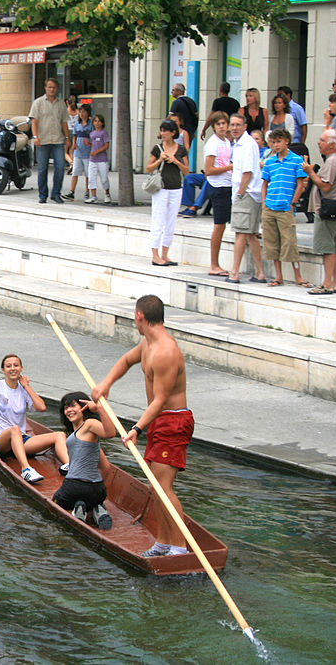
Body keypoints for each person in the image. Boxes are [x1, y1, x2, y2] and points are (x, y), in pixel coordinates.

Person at [92, 295, 192, 557]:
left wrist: (136, 429)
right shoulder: (148, 343)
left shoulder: (165, 352)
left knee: (163, 486)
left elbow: (160, 400)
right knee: (154, 486)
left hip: (172, 421)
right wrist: (105, 384)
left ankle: (179, 547)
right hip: (158, 420)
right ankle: (163, 541)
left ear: (139, 316)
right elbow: (126, 361)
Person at [0, 340, 68, 484]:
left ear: (21, 368)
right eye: (8, 366)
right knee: (14, 430)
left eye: (16, 365)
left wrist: (27, 386)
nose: (13, 368)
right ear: (3, 370)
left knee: (59, 435)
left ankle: (69, 466)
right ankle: (26, 470)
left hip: (20, 440)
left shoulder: (23, 390)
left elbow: (41, 407)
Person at [51, 392, 117, 528]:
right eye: (66, 408)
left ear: (84, 407)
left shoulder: (89, 424)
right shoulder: (90, 438)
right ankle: (96, 506)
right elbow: (106, 468)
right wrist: (96, 487)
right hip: (98, 490)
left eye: (73, 406)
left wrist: (99, 408)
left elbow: (110, 433)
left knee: (55, 503)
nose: (69, 410)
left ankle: (79, 509)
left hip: (74, 486)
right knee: (89, 498)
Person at [260, 129, 312, 288]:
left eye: (279, 141)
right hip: (270, 205)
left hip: (286, 208)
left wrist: (292, 203)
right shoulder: (269, 162)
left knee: (289, 242)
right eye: (273, 142)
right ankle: (278, 276)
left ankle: (298, 276)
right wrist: (264, 203)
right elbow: (264, 184)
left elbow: (301, 185)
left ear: (287, 141)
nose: (276, 145)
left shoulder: (296, 160)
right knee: (272, 242)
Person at [303, 128, 336, 295]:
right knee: (335, 247)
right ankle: (335, 283)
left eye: (322, 140)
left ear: (331, 144)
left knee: (327, 248)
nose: (318, 143)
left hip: (328, 209)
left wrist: (311, 173)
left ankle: (327, 284)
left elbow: (325, 185)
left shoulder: (332, 162)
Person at [226, 113, 267, 284]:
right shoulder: (237, 144)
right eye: (232, 125)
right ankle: (260, 272)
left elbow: (247, 172)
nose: (234, 128)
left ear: (244, 126)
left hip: (247, 193)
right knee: (250, 234)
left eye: (238, 125)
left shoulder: (248, 144)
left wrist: (240, 194)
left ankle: (234, 272)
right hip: (245, 192)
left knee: (241, 233)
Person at [146, 119, 188, 267]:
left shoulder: (181, 149)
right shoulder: (157, 148)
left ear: (173, 132)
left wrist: (175, 161)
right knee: (158, 221)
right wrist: (159, 160)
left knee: (170, 222)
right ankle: (155, 255)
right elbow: (148, 168)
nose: (163, 133)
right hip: (161, 189)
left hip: (176, 188)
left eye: (166, 130)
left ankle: (165, 253)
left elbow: (186, 170)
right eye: (161, 130)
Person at [200, 112, 234, 277]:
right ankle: (214, 264)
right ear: (213, 126)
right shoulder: (213, 144)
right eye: (218, 124)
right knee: (218, 226)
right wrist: (229, 168)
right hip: (218, 187)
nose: (222, 126)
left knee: (223, 225)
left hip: (228, 185)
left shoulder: (226, 142)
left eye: (224, 123)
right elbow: (209, 170)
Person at [29, 77, 69, 204]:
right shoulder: (38, 102)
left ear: (57, 89)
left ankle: (56, 193)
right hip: (43, 140)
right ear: (45, 88)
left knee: (60, 166)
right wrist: (35, 137)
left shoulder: (61, 103)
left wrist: (67, 138)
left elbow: (64, 122)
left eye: (54, 87)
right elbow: (34, 121)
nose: (52, 89)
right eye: (49, 87)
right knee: (42, 168)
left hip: (58, 140)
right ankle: (42, 195)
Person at [62, 103, 92, 201]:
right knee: (75, 172)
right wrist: (74, 144)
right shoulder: (77, 125)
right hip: (78, 152)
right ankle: (72, 192)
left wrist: (90, 144)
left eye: (84, 112)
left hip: (87, 153)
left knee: (88, 173)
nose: (82, 114)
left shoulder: (91, 125)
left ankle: (87, 191)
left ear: (88, 113)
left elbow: (94, 138)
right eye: (80, 112)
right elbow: (75, 136)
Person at [86, 114, 111, 204]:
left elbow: (106, 145)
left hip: (102, 159)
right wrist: (88, 144)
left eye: (99, 121)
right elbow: (93, 145)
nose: (97, 123)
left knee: (104, 178)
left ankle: (107, 194)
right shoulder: (92, 134)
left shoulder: (104, 133)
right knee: (91, 177)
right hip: (93, 160)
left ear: (102, 123)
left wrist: (96, 152)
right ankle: (93, 196)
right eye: (95, 121)